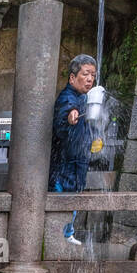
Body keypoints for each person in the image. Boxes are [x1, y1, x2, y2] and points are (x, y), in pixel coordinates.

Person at [49, 54, 98, 245]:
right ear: (72, 77)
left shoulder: (85, 98)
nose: (89, 79)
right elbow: (67, 111)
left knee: (73, 200)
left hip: (78, 163)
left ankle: (66, 234)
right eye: (85, 74)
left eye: (92, 75)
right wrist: (71, 116)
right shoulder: (67, 96)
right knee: (63, 200)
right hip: (64, 164)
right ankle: (61, 237)